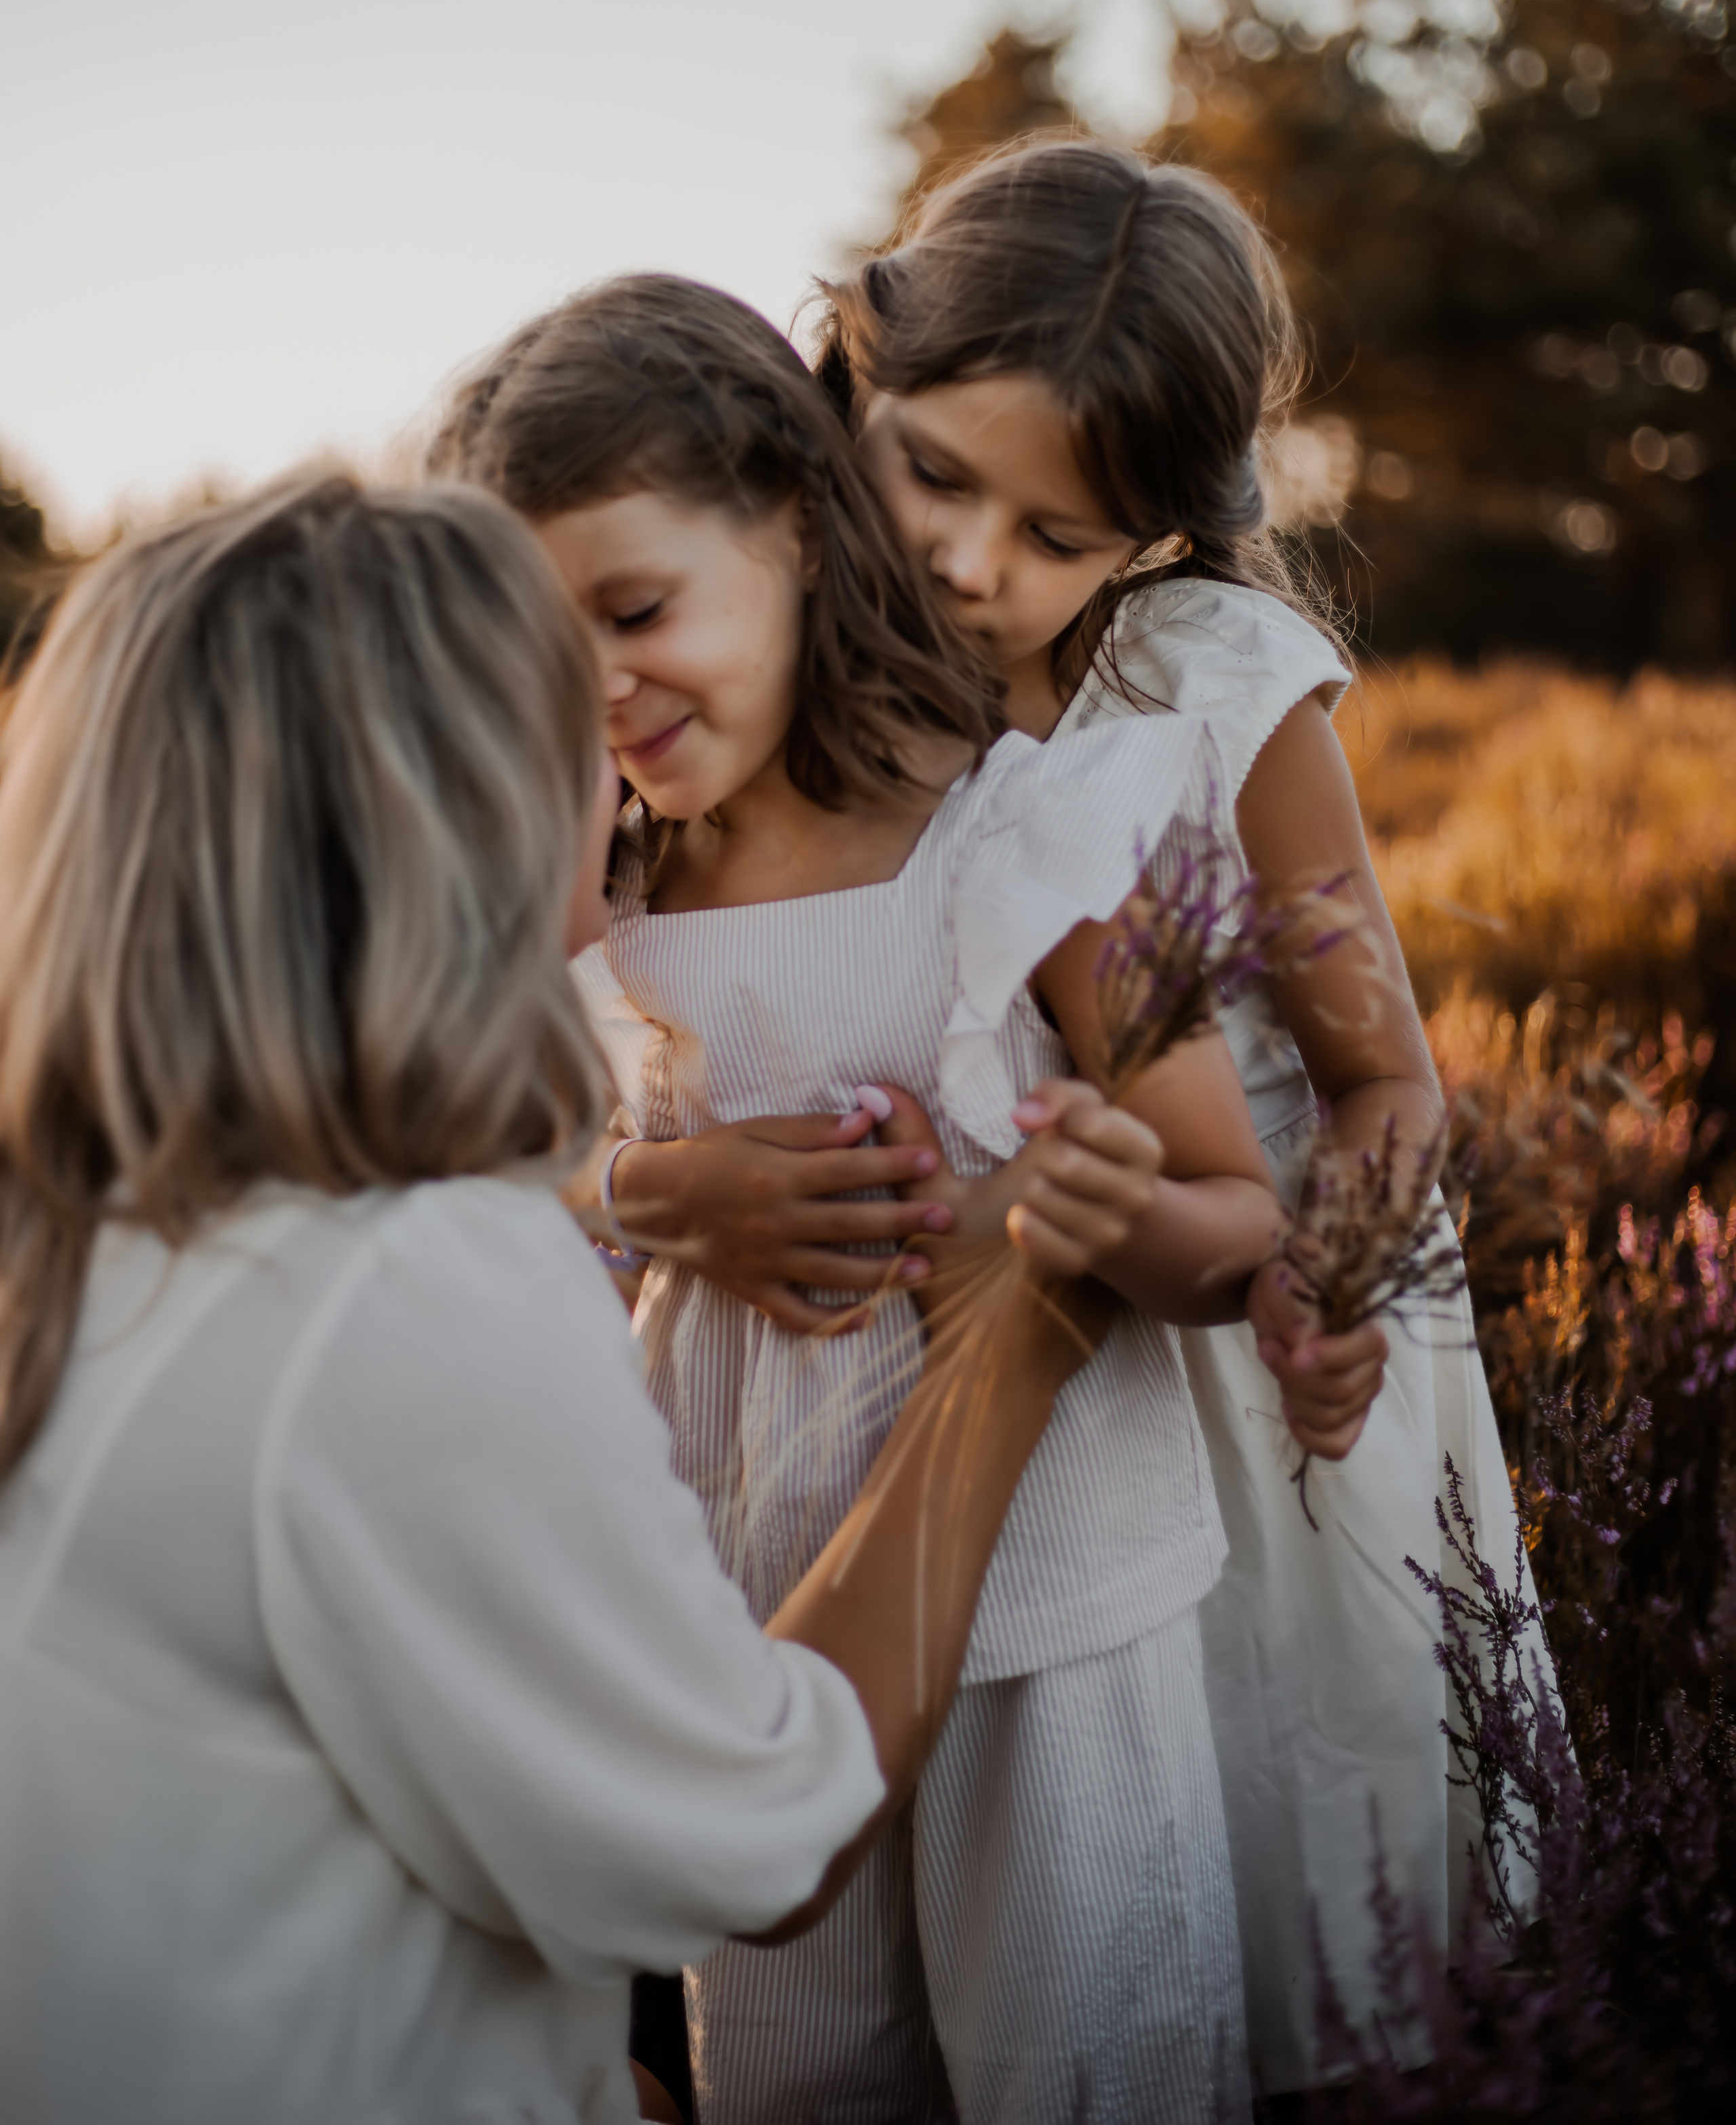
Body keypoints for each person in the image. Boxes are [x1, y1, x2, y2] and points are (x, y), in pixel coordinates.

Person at [0, 473, 1105, 2125]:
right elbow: (754, 1830)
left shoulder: (80, 1227)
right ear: (452, 805)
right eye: (560, 707)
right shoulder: (392, 1278)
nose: (613, 760)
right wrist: (1012, 1351)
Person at [439, 277, 1387, 2125]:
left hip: (1059, 1633)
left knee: (1088, 2069)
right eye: (537, 652)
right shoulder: (601, 885)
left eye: (637, 612)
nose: (600, 691)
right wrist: (660, 1186)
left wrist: (1085, 1220)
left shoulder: (1035, 831)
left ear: (797, 526)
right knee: (794, 2088)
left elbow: (1240, 1222)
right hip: (750, 1634)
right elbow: (507, 1156)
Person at [802, 136, 1555, 2088]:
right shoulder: (807, 648)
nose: (975, 564)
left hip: (1250, 1360)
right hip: (969, 1372)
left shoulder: (1211, 679)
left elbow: (1385, 1074)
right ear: (861, 366)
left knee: (1279, 1857)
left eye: (1057, 535)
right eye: (940, 473)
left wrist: (1332, 1283)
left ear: (1149, 536)